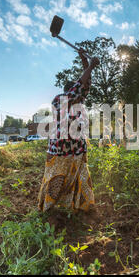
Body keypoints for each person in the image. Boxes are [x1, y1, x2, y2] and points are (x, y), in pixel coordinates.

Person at [38, 49, 100, 213]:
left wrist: (84, 61)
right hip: (62, 149)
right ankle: (50, 209)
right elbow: (80, 87)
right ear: (68, 91)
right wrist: (91, 66)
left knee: (81, 176)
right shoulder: (60, 99)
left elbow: (84, 86)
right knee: (57, 180)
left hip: (76, 148)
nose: (81, 94)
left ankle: (81, 207)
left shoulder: (77, 100)